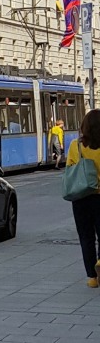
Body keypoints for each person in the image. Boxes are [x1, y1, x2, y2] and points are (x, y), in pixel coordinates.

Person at [66, 108, 100, 287]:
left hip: (80, 198)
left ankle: (92, 278)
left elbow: (70, 168)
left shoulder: (75, 146)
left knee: (86, 237)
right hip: (99, 196)